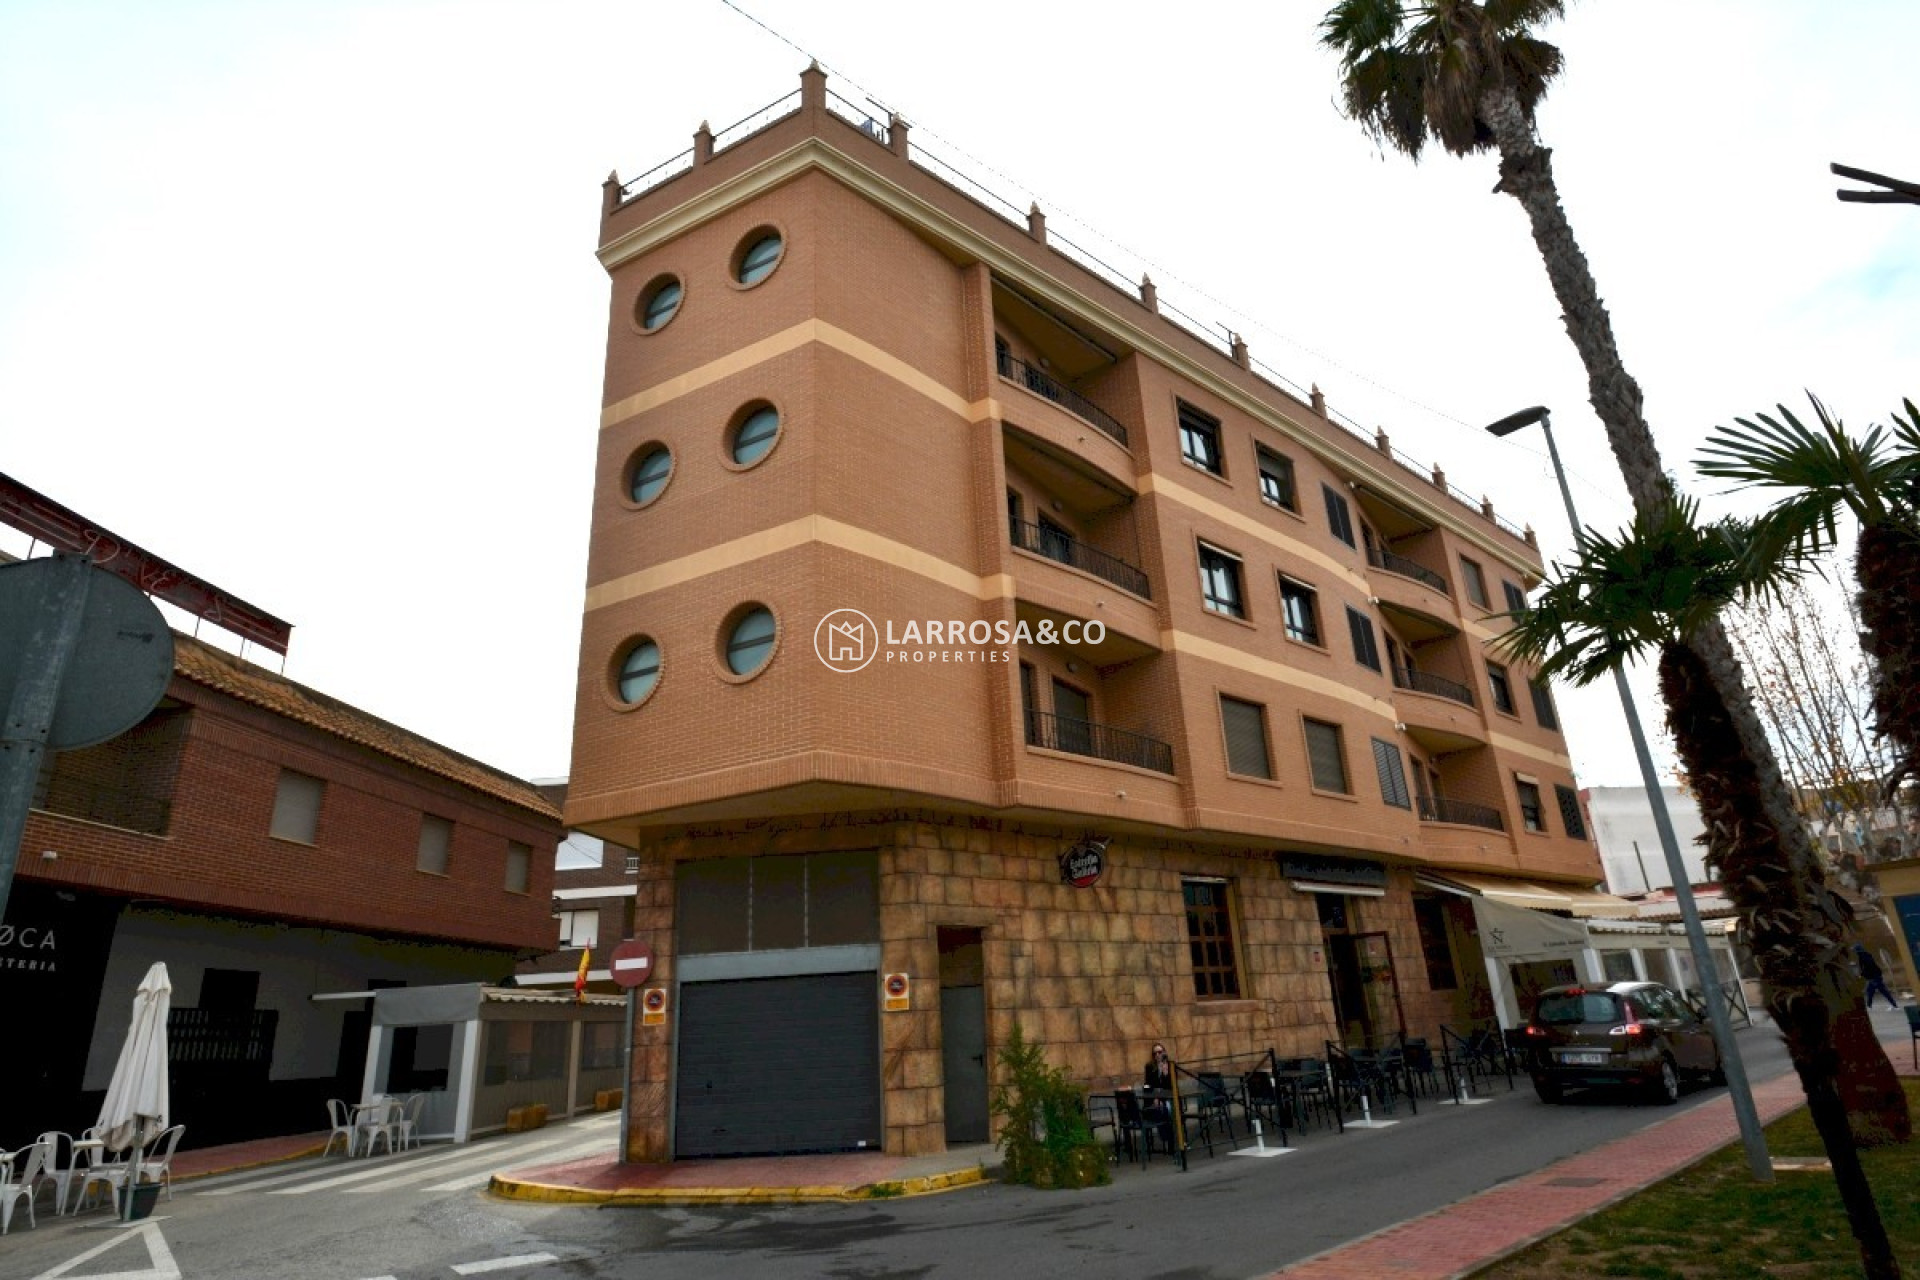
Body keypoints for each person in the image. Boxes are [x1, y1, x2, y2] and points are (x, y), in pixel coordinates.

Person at [1856, 945, 1898, 1011]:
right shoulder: (1866, 955)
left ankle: (1894, 1005)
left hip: (1874, 977)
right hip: (1874, 977)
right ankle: (1869, 1006)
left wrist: (1862, 974)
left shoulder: (1863, 957)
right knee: (1870, 991)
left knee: (1883, 991)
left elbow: (1867, 967)